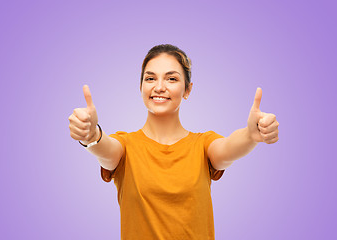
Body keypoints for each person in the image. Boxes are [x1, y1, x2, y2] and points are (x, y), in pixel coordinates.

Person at [68, 44, 279, 239]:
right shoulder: (125, 146)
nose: (159, 87)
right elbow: (105, 148)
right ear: (140, 87)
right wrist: (91, 135)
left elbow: (227, 149)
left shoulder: (203, 144)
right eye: (150, 79)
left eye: (171, 79)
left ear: (188, 90)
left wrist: (251, 135)